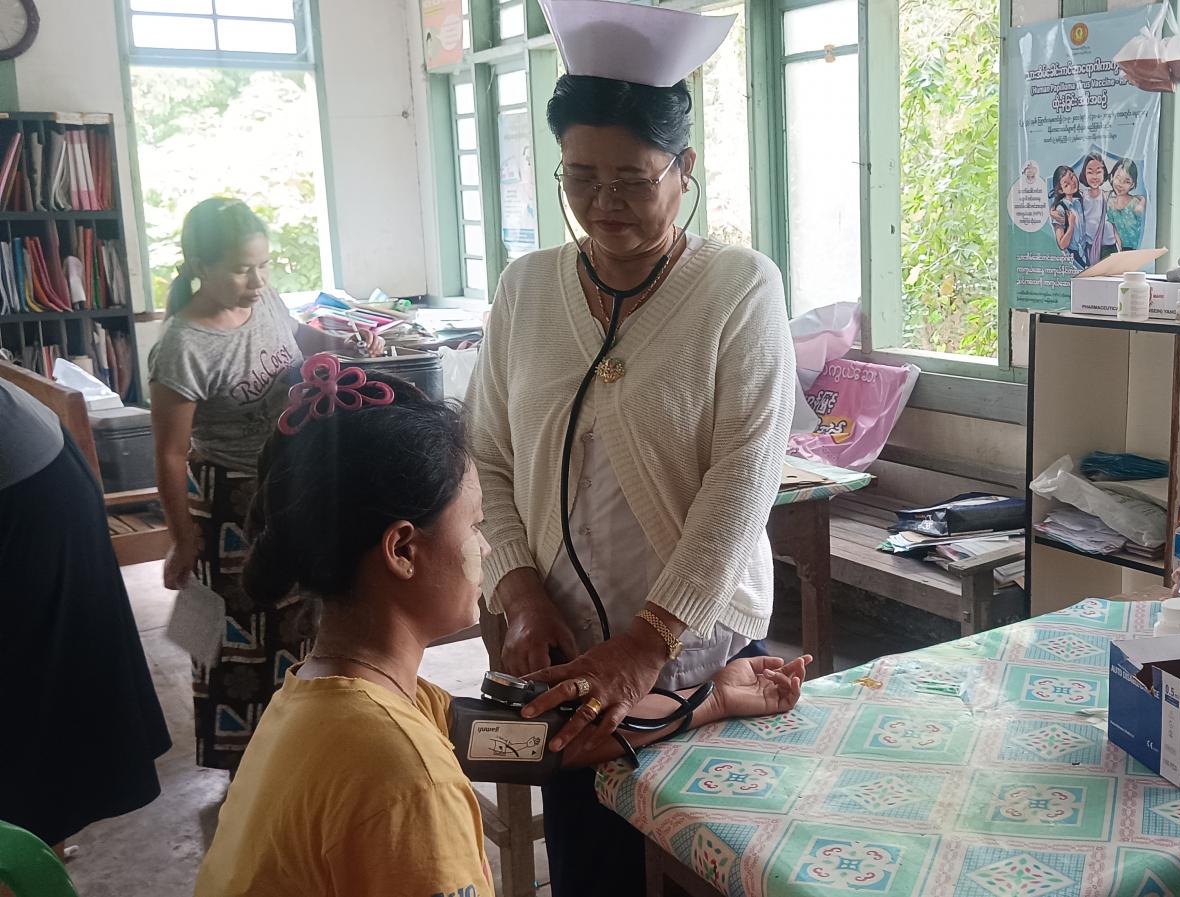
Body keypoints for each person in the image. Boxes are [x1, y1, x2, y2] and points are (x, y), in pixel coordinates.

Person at [193, 355, 809, 896]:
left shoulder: (326, 700)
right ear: (402, 549)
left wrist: (712, 698)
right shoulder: (410, 782)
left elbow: (540, 739)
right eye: (474, 525)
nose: (487, 548)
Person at [466, 1, 795, 893]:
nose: (603, 204)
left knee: (705, 856)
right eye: (580, 177)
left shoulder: (739, 288)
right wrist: (519, 590)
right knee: (592, 860)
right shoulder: (526, 289)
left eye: (632, 180)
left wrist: (651, 638)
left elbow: (744, 479)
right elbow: (487, 453)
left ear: (683, 170)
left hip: (698, 642)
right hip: (562, 639)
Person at [147, 197, 383, 773]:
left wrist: (343, 346)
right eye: (240, 269)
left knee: (302, 620)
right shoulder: (182, 347)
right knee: (239, 640)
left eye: (263, 265)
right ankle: (251, 771)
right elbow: (171, 454)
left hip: (291, 480)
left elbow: (299, 337)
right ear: (199, 265)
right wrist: (182, 538)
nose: (257, 281)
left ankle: (304, 746)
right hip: (230, 502)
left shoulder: (264, 299)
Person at [0, 377, 170, 863]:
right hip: (30, 466)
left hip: (27, 484)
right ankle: (35, 854)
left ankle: (31, 862)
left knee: (31, 703)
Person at [1077, 153, 1117, 264]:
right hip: (1090, 248)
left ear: (1104, 173)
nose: (1094, 177)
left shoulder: (1108, 196)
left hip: (1109, 248)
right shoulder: (1081, 197)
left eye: (1098, 172)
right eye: (1090, 172)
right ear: (1084, 174)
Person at [1106, 158, 1145, 252]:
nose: (1121, 184)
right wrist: (1118, 245)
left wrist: (1142, 202)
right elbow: (1113, 227)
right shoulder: (1110, 204)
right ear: (1112, 177)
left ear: (1132, 184)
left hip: (1136, 249)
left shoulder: (1135, 203)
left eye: (1127, 181)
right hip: (1119, 249)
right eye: (1118, 178)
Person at [1048, 164, 1084, 265]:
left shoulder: (1079, 201)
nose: (1072, 183)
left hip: (1086, 252)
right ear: (1061, 190)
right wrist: (1071, 225)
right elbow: (1062, 245)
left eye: (1072, 177)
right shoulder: (1060, 209)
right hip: (1076, 256)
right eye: (1066, 184)